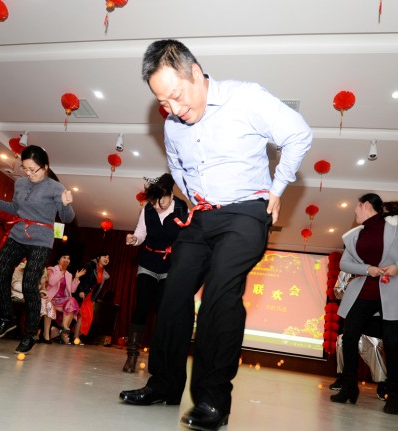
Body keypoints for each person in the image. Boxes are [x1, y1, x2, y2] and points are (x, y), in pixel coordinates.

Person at [119, 39, 312, 431]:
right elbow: (177, 167)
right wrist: (195, 201)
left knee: (220, 295)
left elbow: (299, 134)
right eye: (163, 102)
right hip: (203, 217)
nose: (173, 109)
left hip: (246, 212)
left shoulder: (245, 98)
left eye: (176, 96)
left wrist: (277, 189)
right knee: (172, 294)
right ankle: (164, 384)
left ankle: (212, 400)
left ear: (195, 71)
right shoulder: (173, 126)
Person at [330, 193, 398, 415]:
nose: (355, 211)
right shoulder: (355, 234)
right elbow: (345, 263)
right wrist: (367, 269)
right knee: (349, 337)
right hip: (364, 290)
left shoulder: (397, 225)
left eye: (357, 207)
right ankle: (349, 387)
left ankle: (393, 396)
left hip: (393, 290)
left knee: (392, 343)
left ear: (366, 205)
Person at [0, 145, 75, 354]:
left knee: (30, 284)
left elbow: (67, 218)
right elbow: (16, 208)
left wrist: (66, 204)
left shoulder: (56, 188)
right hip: (18, 233)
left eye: (33, 169)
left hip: (41, 240)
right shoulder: (21, 183)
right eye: (25, 169)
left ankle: (30, 333)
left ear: (45, 167)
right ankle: (7, 317)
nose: (29, 174)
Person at [122, 173, 189, 372]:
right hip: (148, 262)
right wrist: (134, 239)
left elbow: (186, 237)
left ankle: (160, 358)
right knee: (142, 306)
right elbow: (141, 233)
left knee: (163, 311)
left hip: (170, 266)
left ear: (171, 195)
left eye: (162, 201)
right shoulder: (147, 209)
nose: (157, 206)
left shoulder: (182, 209)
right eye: (154, 201)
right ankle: (132, 355)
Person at [39, 252, 85, 343]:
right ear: (58, 260)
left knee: (72, 301)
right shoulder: (51, 269)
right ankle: (63, 331)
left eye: (68, 258)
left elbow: (72, 290)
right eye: (64, 257)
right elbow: (51, 282)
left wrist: (76, 278)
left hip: (62, 300)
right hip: (51, 298)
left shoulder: (69, 274)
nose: (67, 260)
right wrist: (62, 272)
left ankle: (64, 326)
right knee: (72, 303)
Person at [71, 253, 110, 344]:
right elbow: (80, 277)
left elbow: (98, 288)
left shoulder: (103, 272)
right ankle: (75, 338)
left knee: (88, 318)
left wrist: (94, 299)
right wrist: (80, 290)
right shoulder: (90, 265)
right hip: (81, 293)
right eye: (104, 256)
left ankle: (76, 336)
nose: (106, 259)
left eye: (108, 258)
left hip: (89, 296)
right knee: (81, 316)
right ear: (98, 257)